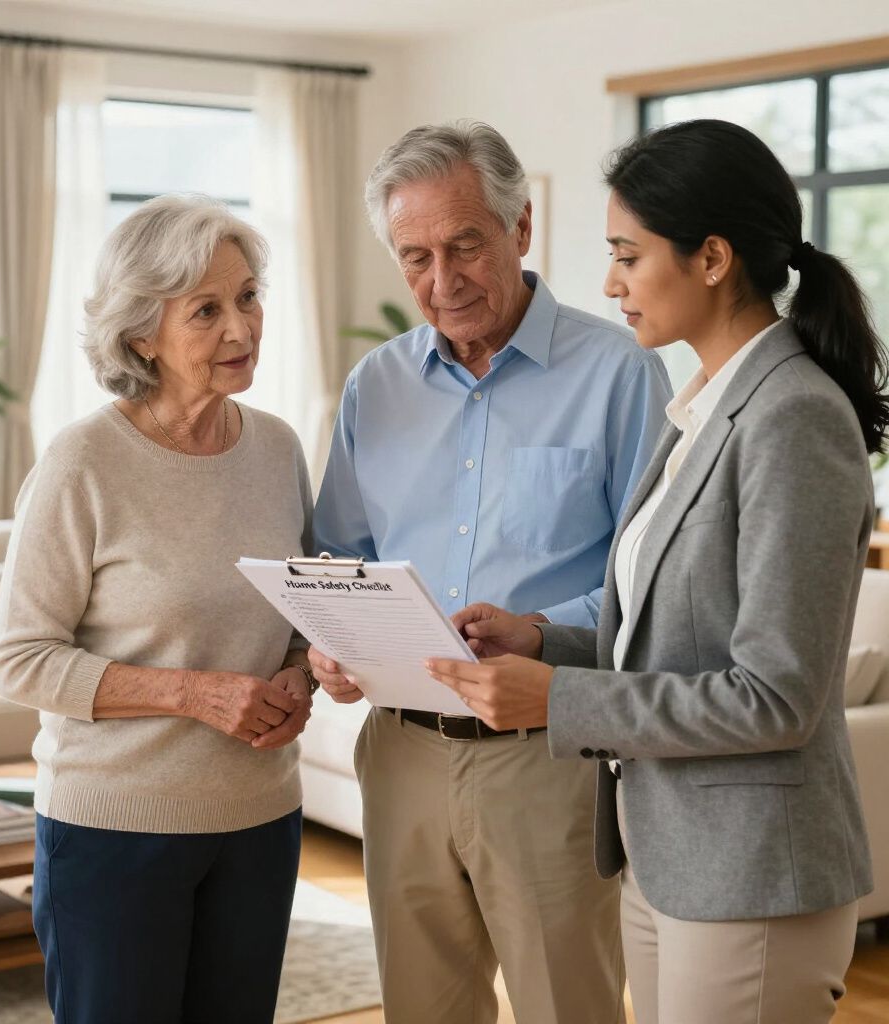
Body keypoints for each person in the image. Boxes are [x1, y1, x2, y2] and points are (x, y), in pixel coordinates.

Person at [428, 119, 888, 1024]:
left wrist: (556, 701)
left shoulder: (792, 416)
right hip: (664, 852)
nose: (609, 283)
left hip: (752, 872)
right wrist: (541, 642)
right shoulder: (700, 410)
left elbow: (776, 696)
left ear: (712, 257)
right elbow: (666, 634)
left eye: (628, 256)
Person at [308, 120, 671, 1023]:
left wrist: (541, 633)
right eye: (416, 256)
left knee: (568, 1007)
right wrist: (332, 643)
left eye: (465, 244)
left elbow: (654, 588)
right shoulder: (374, 386)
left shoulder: (622, 373)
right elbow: (338, 556)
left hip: (547, 756)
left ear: (520, 227)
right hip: (400, 756)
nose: (443, 280)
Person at [0, 195, 317, 1024]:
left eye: (248, 297)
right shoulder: (84, 462)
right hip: (114, 833)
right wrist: (193, 694)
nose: (242, 328)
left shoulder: (278, 450)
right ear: (142, 335)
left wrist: (302, 678)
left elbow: (301, 617)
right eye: (206, 310)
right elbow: (20, 657)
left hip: (260, 820)